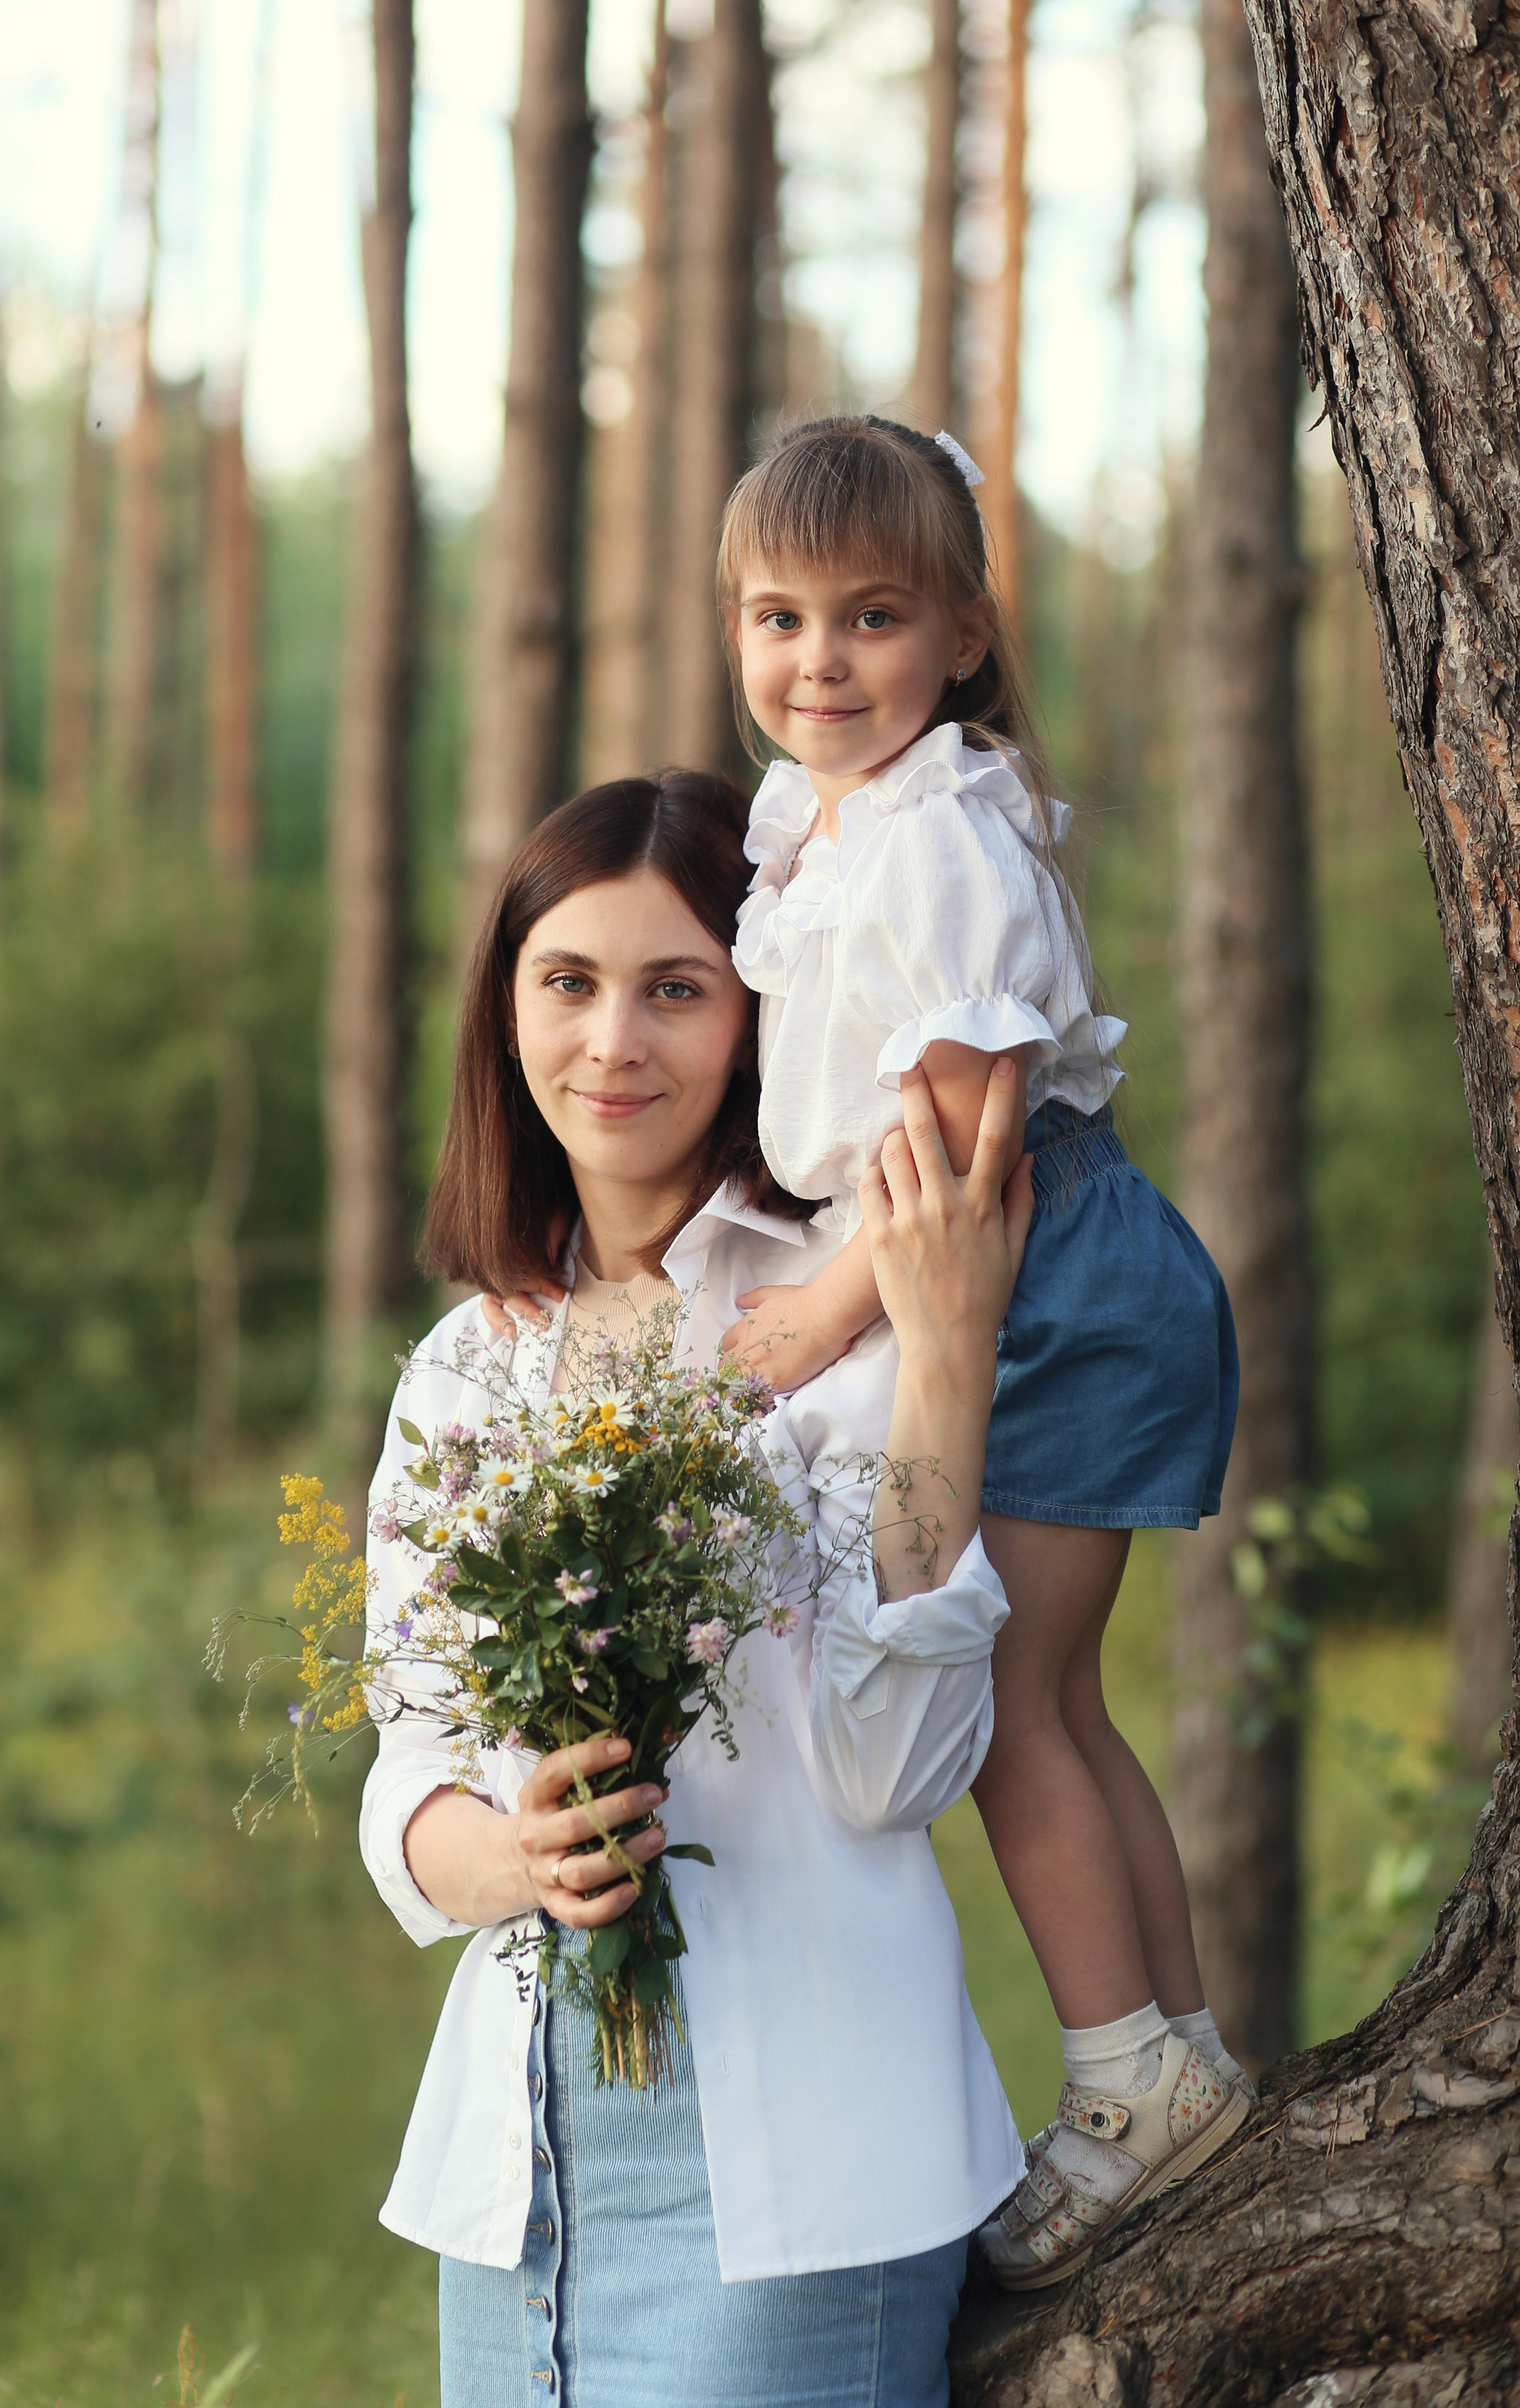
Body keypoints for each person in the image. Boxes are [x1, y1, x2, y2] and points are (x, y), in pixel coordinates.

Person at [362, 772, 1051, 2408]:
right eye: (569, 984)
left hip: (805, 2177)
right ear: (505, 1011)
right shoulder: (465, 1369)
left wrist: (942, 1356)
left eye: (676, 990)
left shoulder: (843, 1304)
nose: (613, 1045)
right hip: (516, 2187)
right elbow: (408, 1772)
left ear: (760, 1018)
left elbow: (894, 1777)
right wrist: (519, 1851)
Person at [712, 414, 1248, 2289]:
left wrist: (823, 1313)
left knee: (1020, 1711)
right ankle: (1174, 2057)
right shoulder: (834, 820)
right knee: (1069, 1705)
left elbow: (965, 1121)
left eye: (871, 618)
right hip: (1033, 1272)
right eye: (778, 618)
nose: (819, 662)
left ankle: (1122, 2086)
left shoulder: (941, 828)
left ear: (957, 632)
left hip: (1035, 1275)